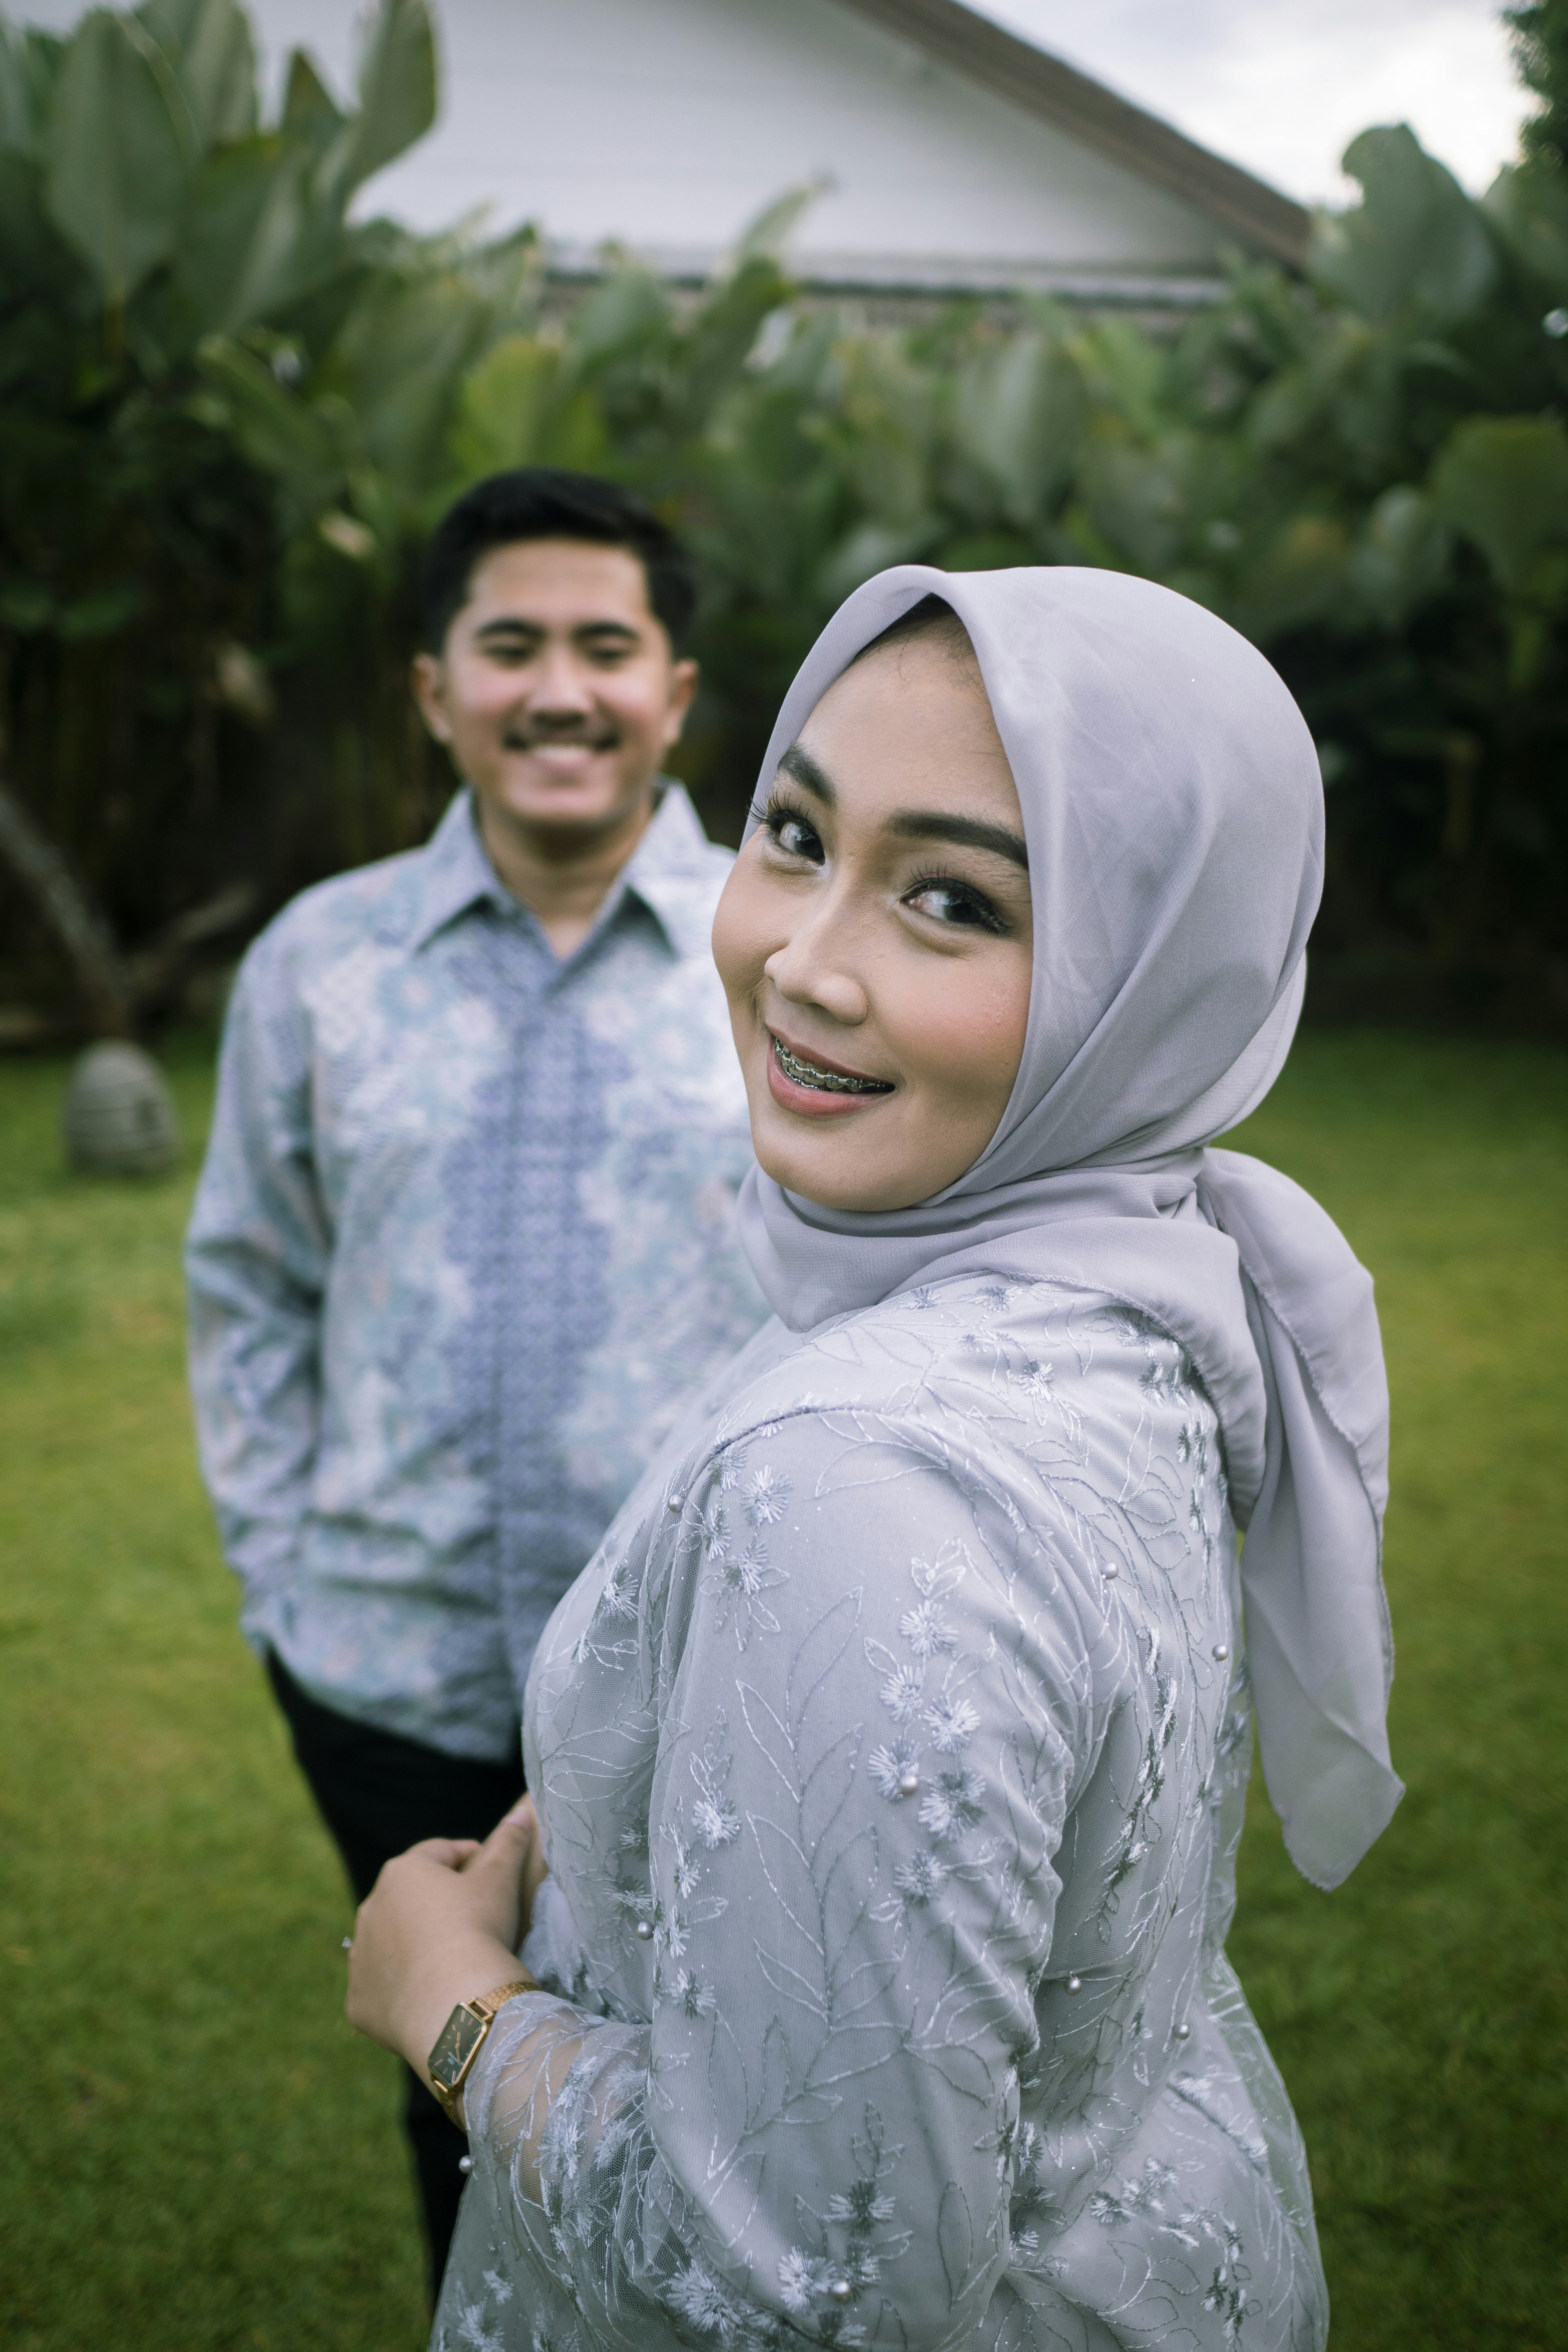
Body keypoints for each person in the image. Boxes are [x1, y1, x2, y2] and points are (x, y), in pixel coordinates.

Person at [345, 566, 1403, 2351]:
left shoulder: (860, 1489)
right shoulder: (1139, 1298)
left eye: (953, 900)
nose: (801, 961)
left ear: (1152, 979)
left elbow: (816, 2300)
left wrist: (452, 2008)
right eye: (795, 834)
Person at [184, 468, 769, 2291]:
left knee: (724, 2098)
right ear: (437, 691)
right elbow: (250, 1281)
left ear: (675, 691)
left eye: (606, 646)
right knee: (454, 2068)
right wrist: (281, 1585)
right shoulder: (319, 962)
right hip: (383, 1667)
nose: (560, 691)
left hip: (698, 1676)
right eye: (511, 647)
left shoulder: (781, 951)